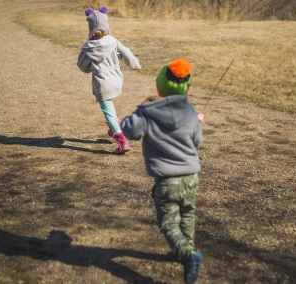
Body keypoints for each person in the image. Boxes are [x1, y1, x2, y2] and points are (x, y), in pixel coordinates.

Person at [120, 58, 204, 284]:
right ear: (186, 87)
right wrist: (198, 123)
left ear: (159, 86)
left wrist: (131, 118)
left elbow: (129, 130)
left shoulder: (147, 113)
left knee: (167, 222)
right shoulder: (190, 111)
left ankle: (188, 255)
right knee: (187, 214)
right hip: (191, 177)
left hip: (167, 180)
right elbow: (197, 140)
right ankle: (186, 250)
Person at [77, 6, 141, 154]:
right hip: (116, 81)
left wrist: (89, 68)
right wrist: (135, 65)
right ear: (106, 25)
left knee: (108, 112)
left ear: (90, 27)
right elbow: (128, 54)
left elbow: (82, 66)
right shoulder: (113, 41)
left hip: (102, 85)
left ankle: (121, 139)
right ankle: (114, 128)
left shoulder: (87, 47)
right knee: (110, 106)